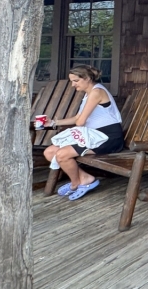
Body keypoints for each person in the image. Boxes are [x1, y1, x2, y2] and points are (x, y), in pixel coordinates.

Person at [43, 65, 124, 201]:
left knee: (62, 154)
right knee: (50, 152)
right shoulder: (88, 94)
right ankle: (85, 178)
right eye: (71, 81)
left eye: (76, 81)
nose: (73, 85)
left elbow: (80, 122)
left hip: (107, 137)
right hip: (92, 135)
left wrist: (77, 124)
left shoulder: (97, 92)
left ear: (86, 78)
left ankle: (76, 183)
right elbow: (76, 118)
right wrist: (52, 123)